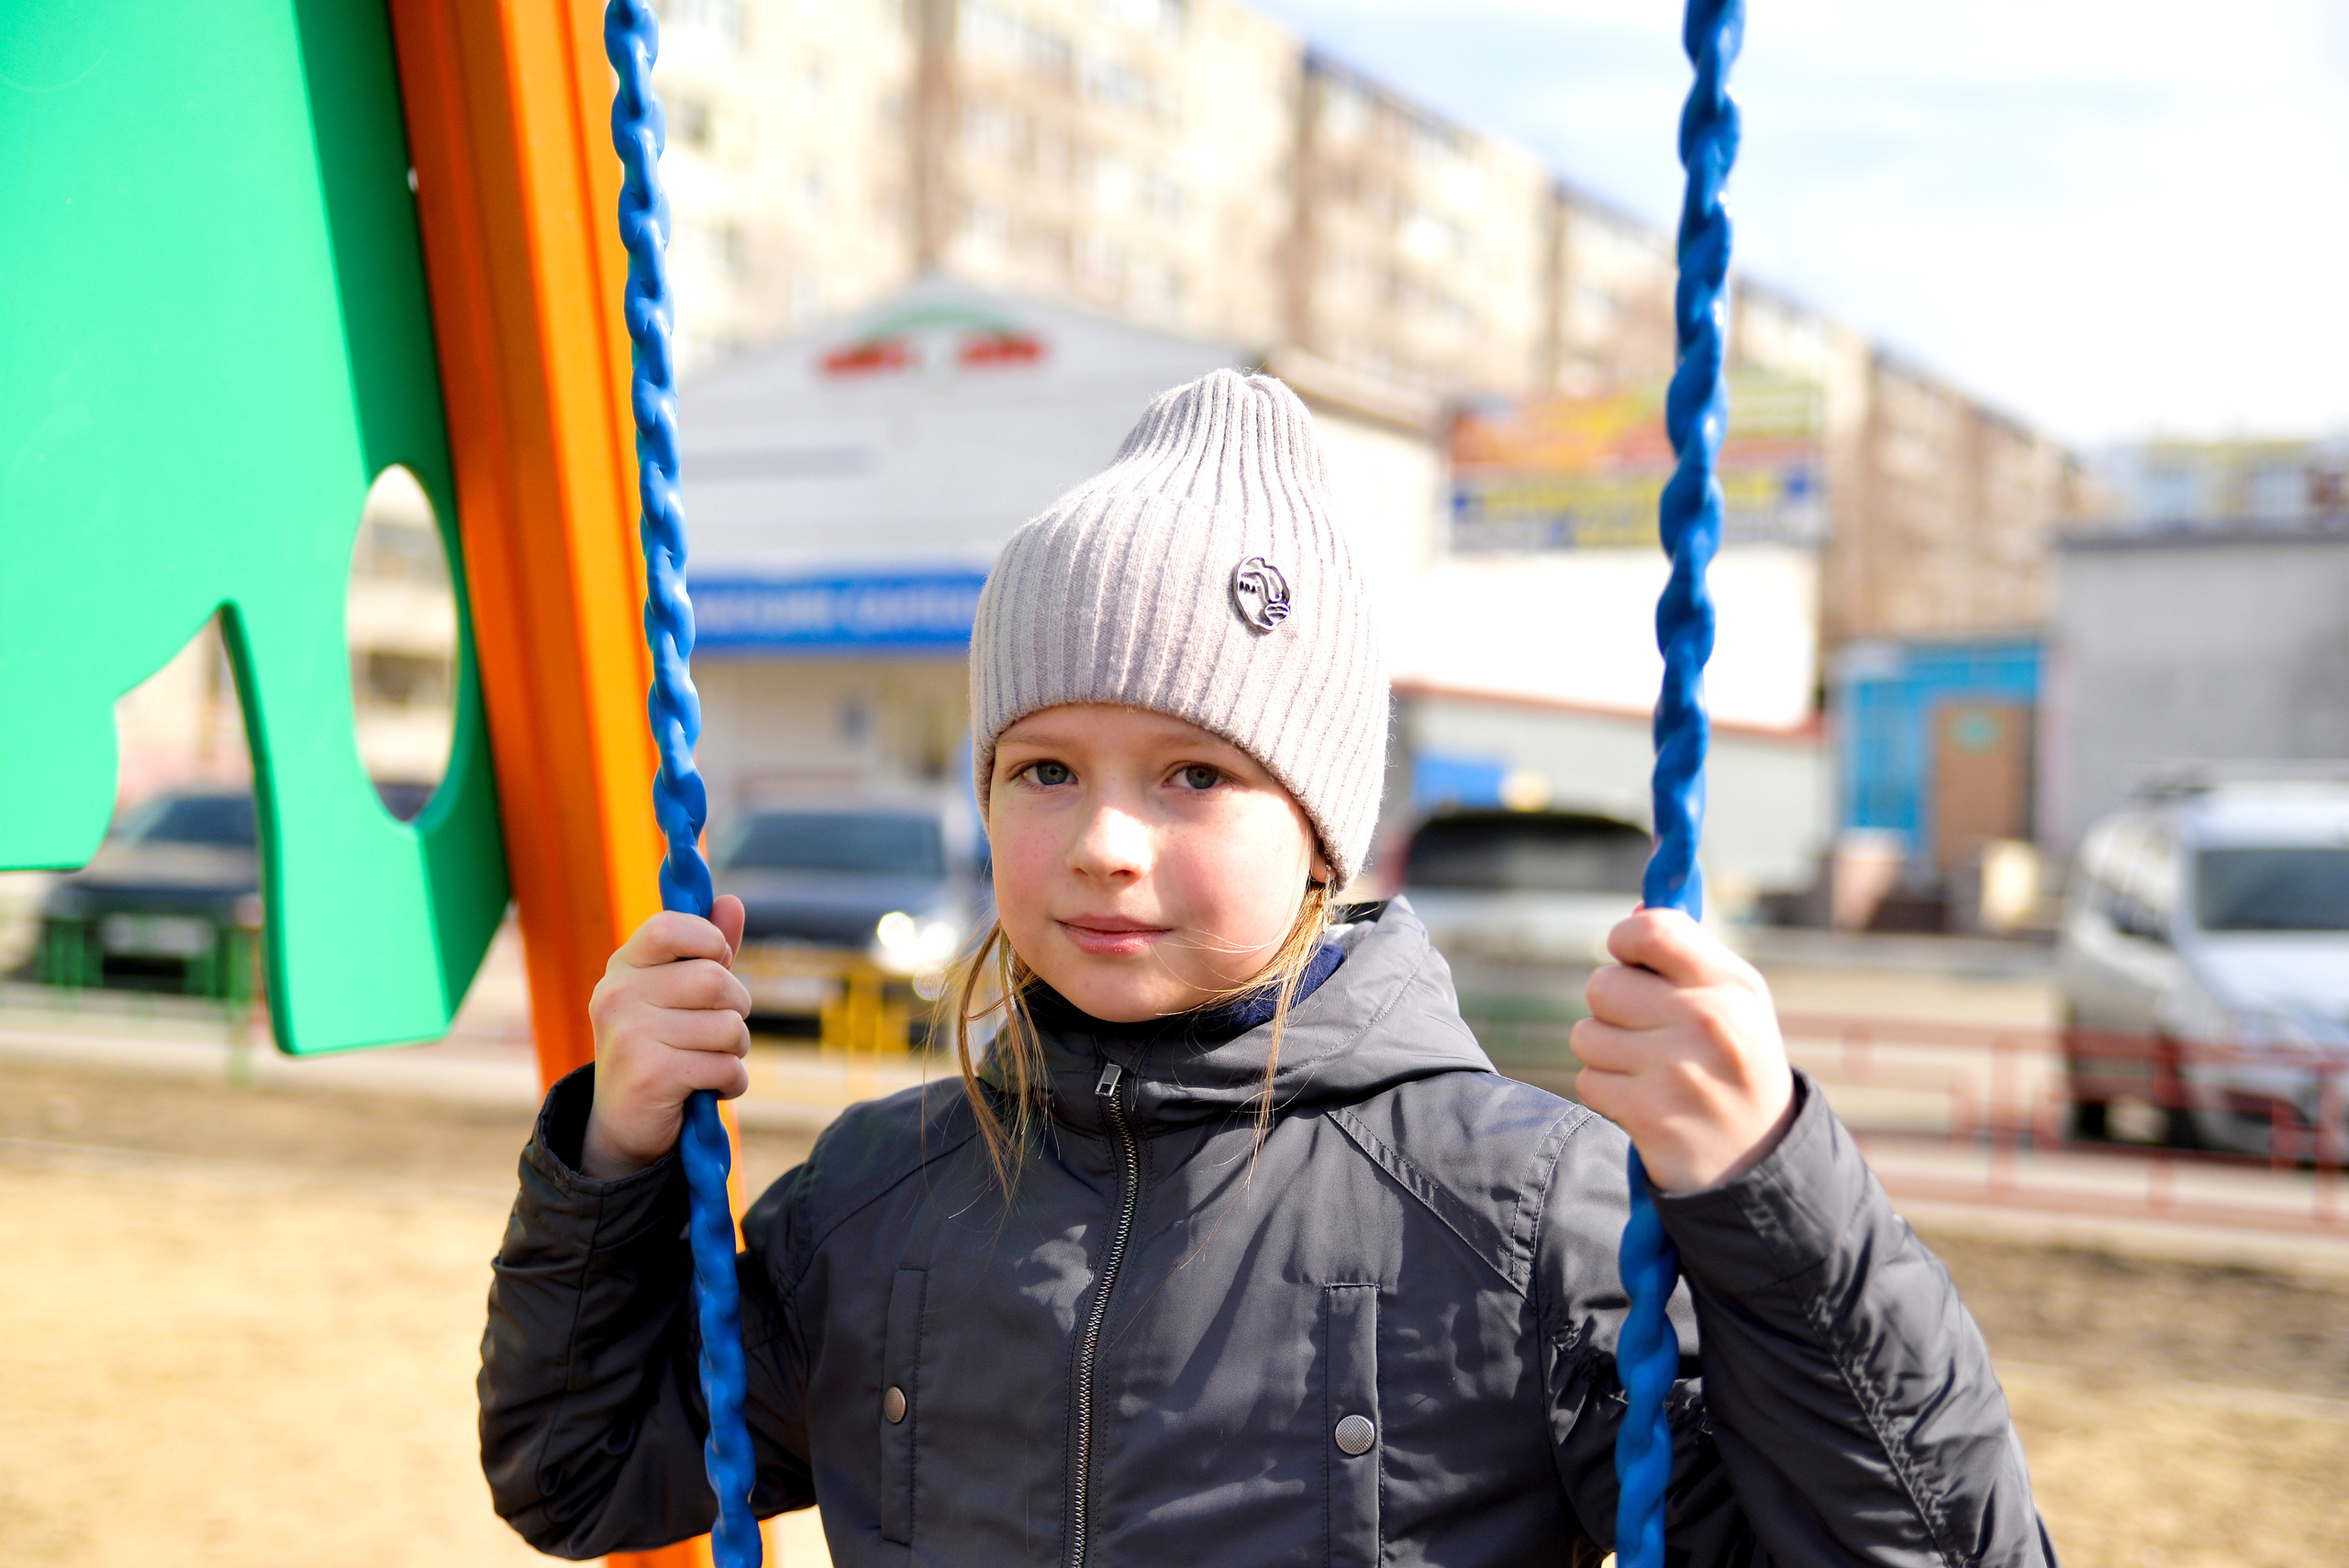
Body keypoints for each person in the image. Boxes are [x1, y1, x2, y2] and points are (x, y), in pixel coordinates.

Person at [479, 371, 2053, 1566]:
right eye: (1044, 770)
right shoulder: (879, 1196)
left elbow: (1921, 1551)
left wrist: (1772, 1189)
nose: (1102, 839)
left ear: (1323, 830)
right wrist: (614, 1148)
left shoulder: (1525, 1219)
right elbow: (579, 1467)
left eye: (1190, 775)